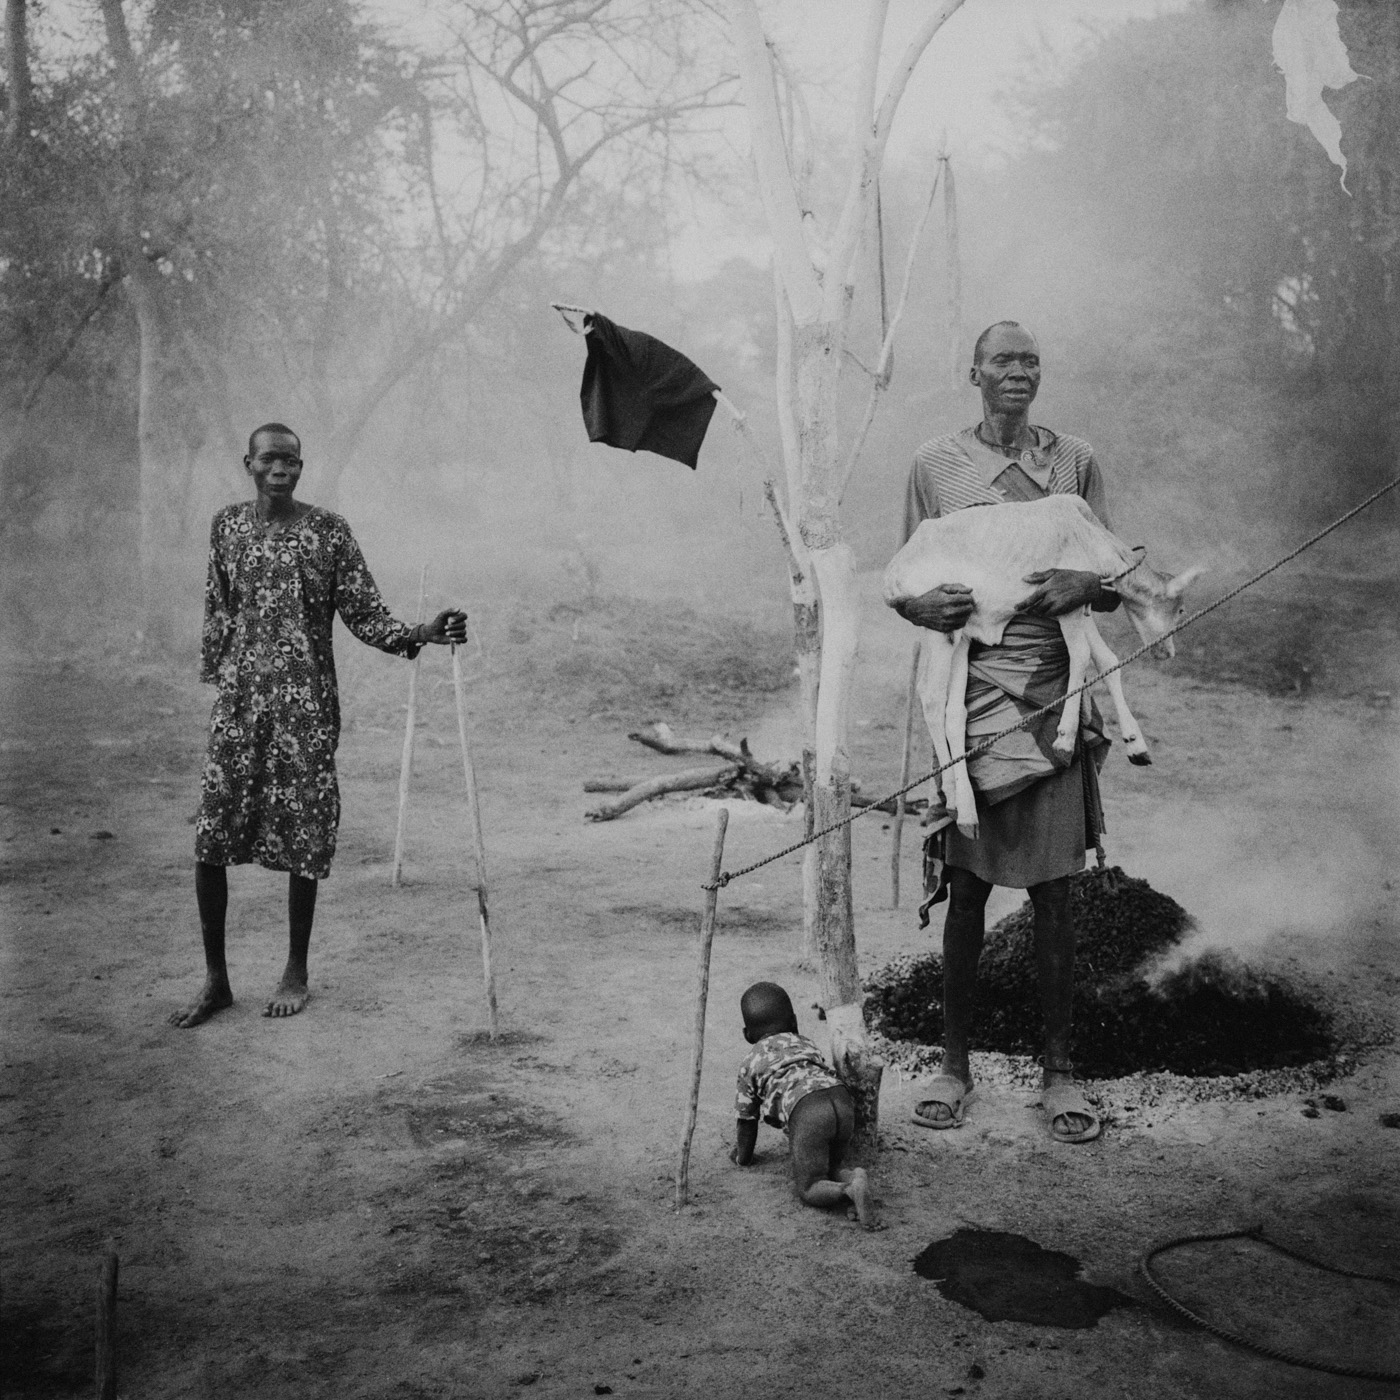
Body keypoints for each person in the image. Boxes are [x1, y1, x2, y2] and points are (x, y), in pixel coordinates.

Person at [894, 322, 1120, 1143]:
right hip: (969, 697)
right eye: (1003, 361)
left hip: (1055, 698)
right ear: (974, 374)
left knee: (1056, 892)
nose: (1018, 372)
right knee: (969, 889)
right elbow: (906, 572)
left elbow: (1112, 572)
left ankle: (1059, 1073)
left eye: (1030, 359)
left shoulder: (1075, 461)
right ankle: (953, 1067)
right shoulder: (934, 465)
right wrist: (918, 606)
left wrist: (1084, 582)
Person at [170, 423, 468, 1029]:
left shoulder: (328, 531)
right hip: (241, 704)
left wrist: (420, 632)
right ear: (248, 464)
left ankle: (295, 971)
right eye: (270, 460)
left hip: (305, 705)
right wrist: (221, 674)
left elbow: (363, 611)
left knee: (305, 826)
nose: (282, 470)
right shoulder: (227, 526)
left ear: (302, 468)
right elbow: (219, 604)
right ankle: (216, 980)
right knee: (212, 832)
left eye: (292, 461)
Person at [731, 981, 877, 1228]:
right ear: (794, 1022)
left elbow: (746, 1120)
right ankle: (854, 1177)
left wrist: (743, 1156)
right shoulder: (806, 1043)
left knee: (809, 1186)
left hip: (809, 1111)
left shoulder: (750, 1062)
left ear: (747, 1035)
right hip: (840, 1098)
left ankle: (847, 1192)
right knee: (830, 1164)